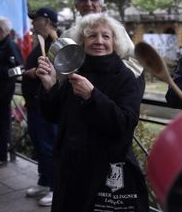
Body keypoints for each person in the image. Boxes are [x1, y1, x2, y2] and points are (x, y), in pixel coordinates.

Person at [35, 13, 149, 212]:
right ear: (81, 41)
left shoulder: (125, 77)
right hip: (70, 169)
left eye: (106, 36)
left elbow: (124, 124)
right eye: (91, 36)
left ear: (115, 42)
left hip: (104, 171)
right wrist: (49, 86)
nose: (99, 41)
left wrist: (92, 96)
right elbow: (53, 115)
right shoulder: (74, 71)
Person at [62, 0, 145, 96]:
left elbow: (134, 61)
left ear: (101, 4)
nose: (88, 3)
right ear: (76, 5)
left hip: (112, 93)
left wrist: (113, 78)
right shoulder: (67, 36)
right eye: (83, 0)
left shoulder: (116, 30)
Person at [22, 7, 58, 206]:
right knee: (39, 145)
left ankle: (55, 186)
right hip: (35, 104)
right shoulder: (40, 42)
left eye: (36, 19)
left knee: (49, 146)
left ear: (46, 21)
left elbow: (59, 71)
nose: (33, 23)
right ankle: (44, 181)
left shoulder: (57, 43)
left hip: (47, 105)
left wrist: (36, 72)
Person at [0, 17, 23, 170]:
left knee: (2, 125)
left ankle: (2, 157)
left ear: (1, 30)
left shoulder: (11, 46)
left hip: (2, 94)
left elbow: (18, 69)